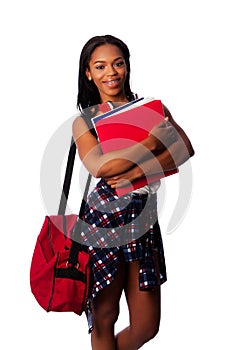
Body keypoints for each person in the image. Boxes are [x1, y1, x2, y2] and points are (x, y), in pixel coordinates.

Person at [72, 34, 194, 350]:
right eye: (100, 66)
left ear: (127, 66)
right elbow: (100, 167)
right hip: (105, 215)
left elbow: (183, 149)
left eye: (118, 63)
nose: (110, 72)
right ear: (88, 73)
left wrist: (134, 174)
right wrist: (152, 143)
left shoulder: (151, 108)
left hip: (143, 213)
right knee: (105, 314)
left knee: (145, 325)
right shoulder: (85, 120)